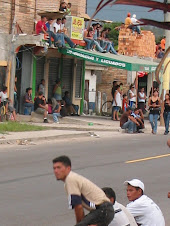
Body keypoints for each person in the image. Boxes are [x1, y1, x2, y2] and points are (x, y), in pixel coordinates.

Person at [52, 156, 114, 226]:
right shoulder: (71, 180)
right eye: (54, 168)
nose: (56, 171)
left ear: (68, 168)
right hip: (104, 211)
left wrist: (80, 224)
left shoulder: (70, 179)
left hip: (103, 210)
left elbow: (78, 207)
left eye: (59, 168)